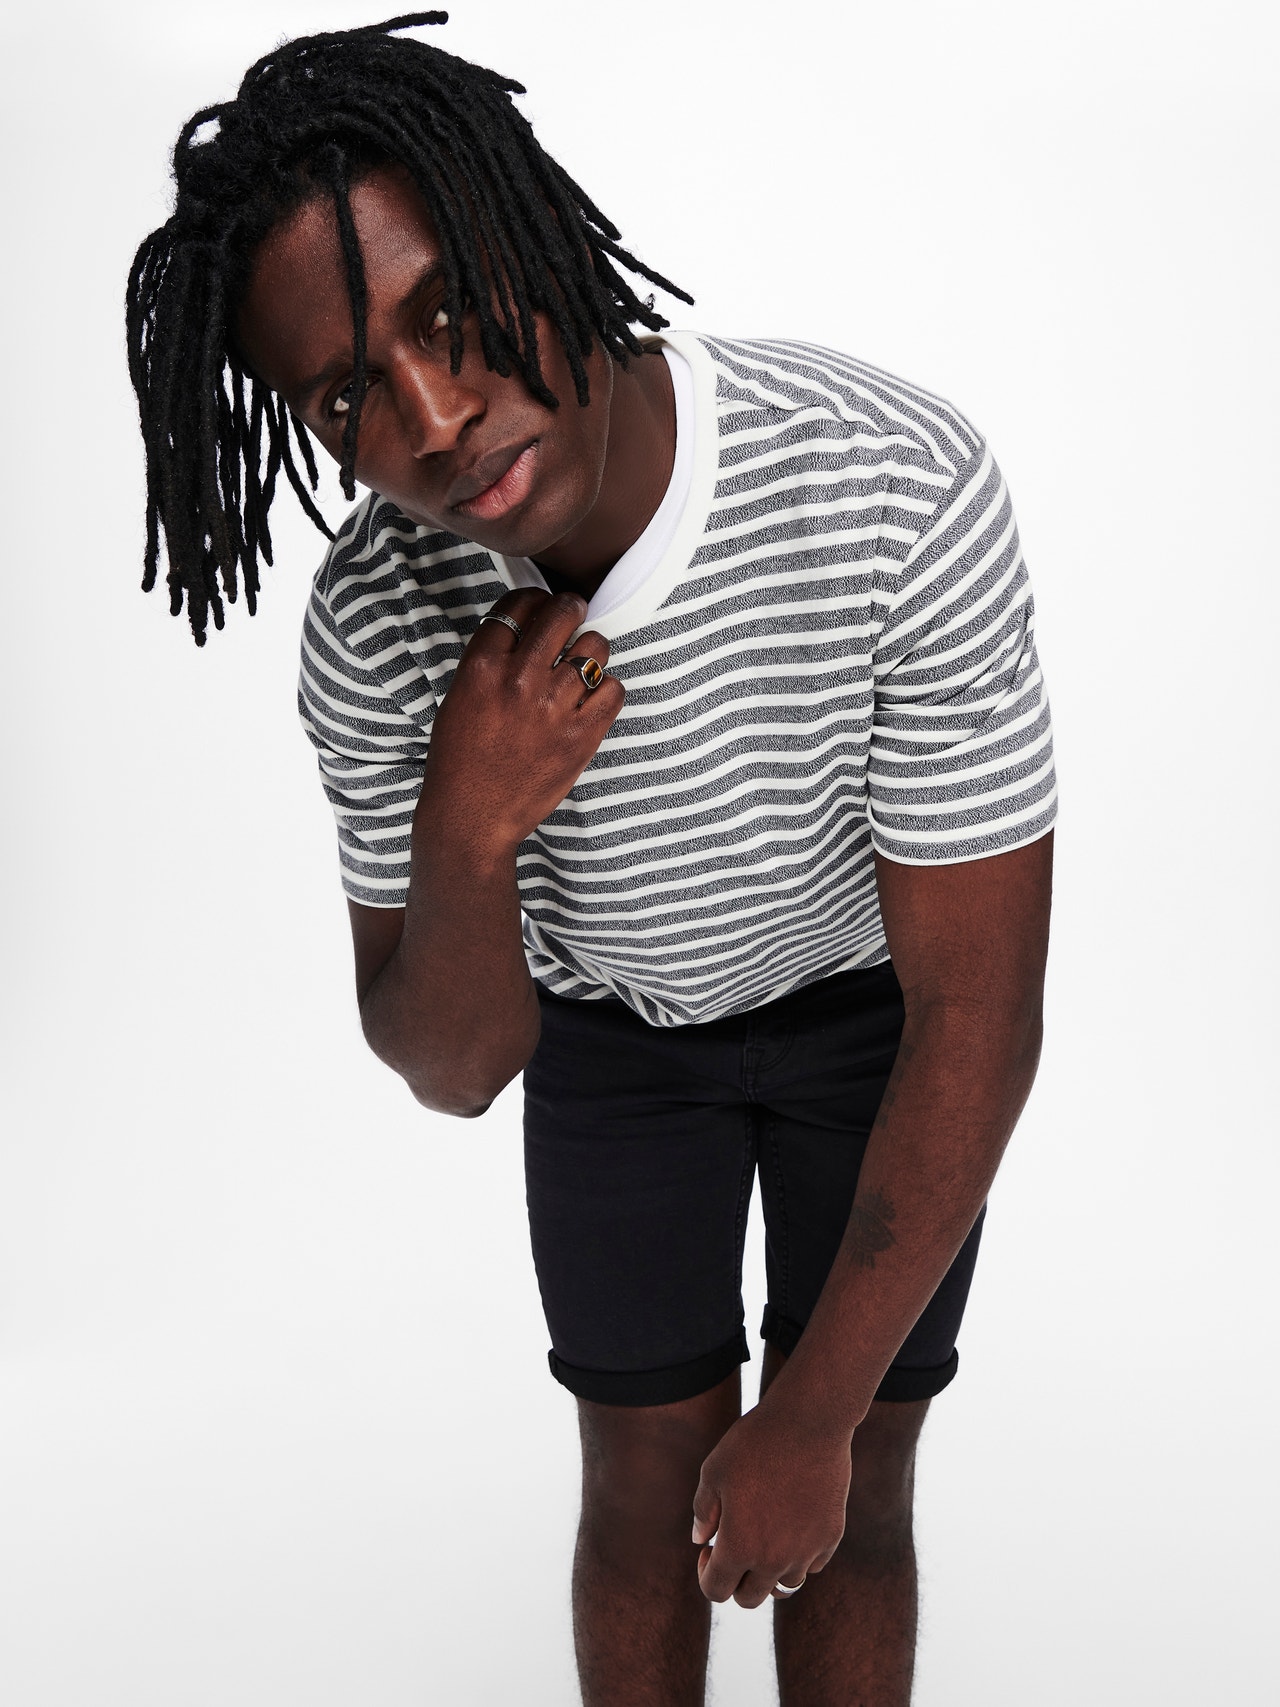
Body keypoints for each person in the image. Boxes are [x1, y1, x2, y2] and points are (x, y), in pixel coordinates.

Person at [126, 13, 1055, 1704]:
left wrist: (814, 1419)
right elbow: (456, 1067)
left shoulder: (892, 485)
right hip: (614, 1051)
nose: (432, 419)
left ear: (536, 228)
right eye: (349, 397)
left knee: (857, 1482)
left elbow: (980, 1013)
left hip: (884, 1029)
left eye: (451, 317)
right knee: (640, 1487)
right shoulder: (376, 626)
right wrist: (469, 825)